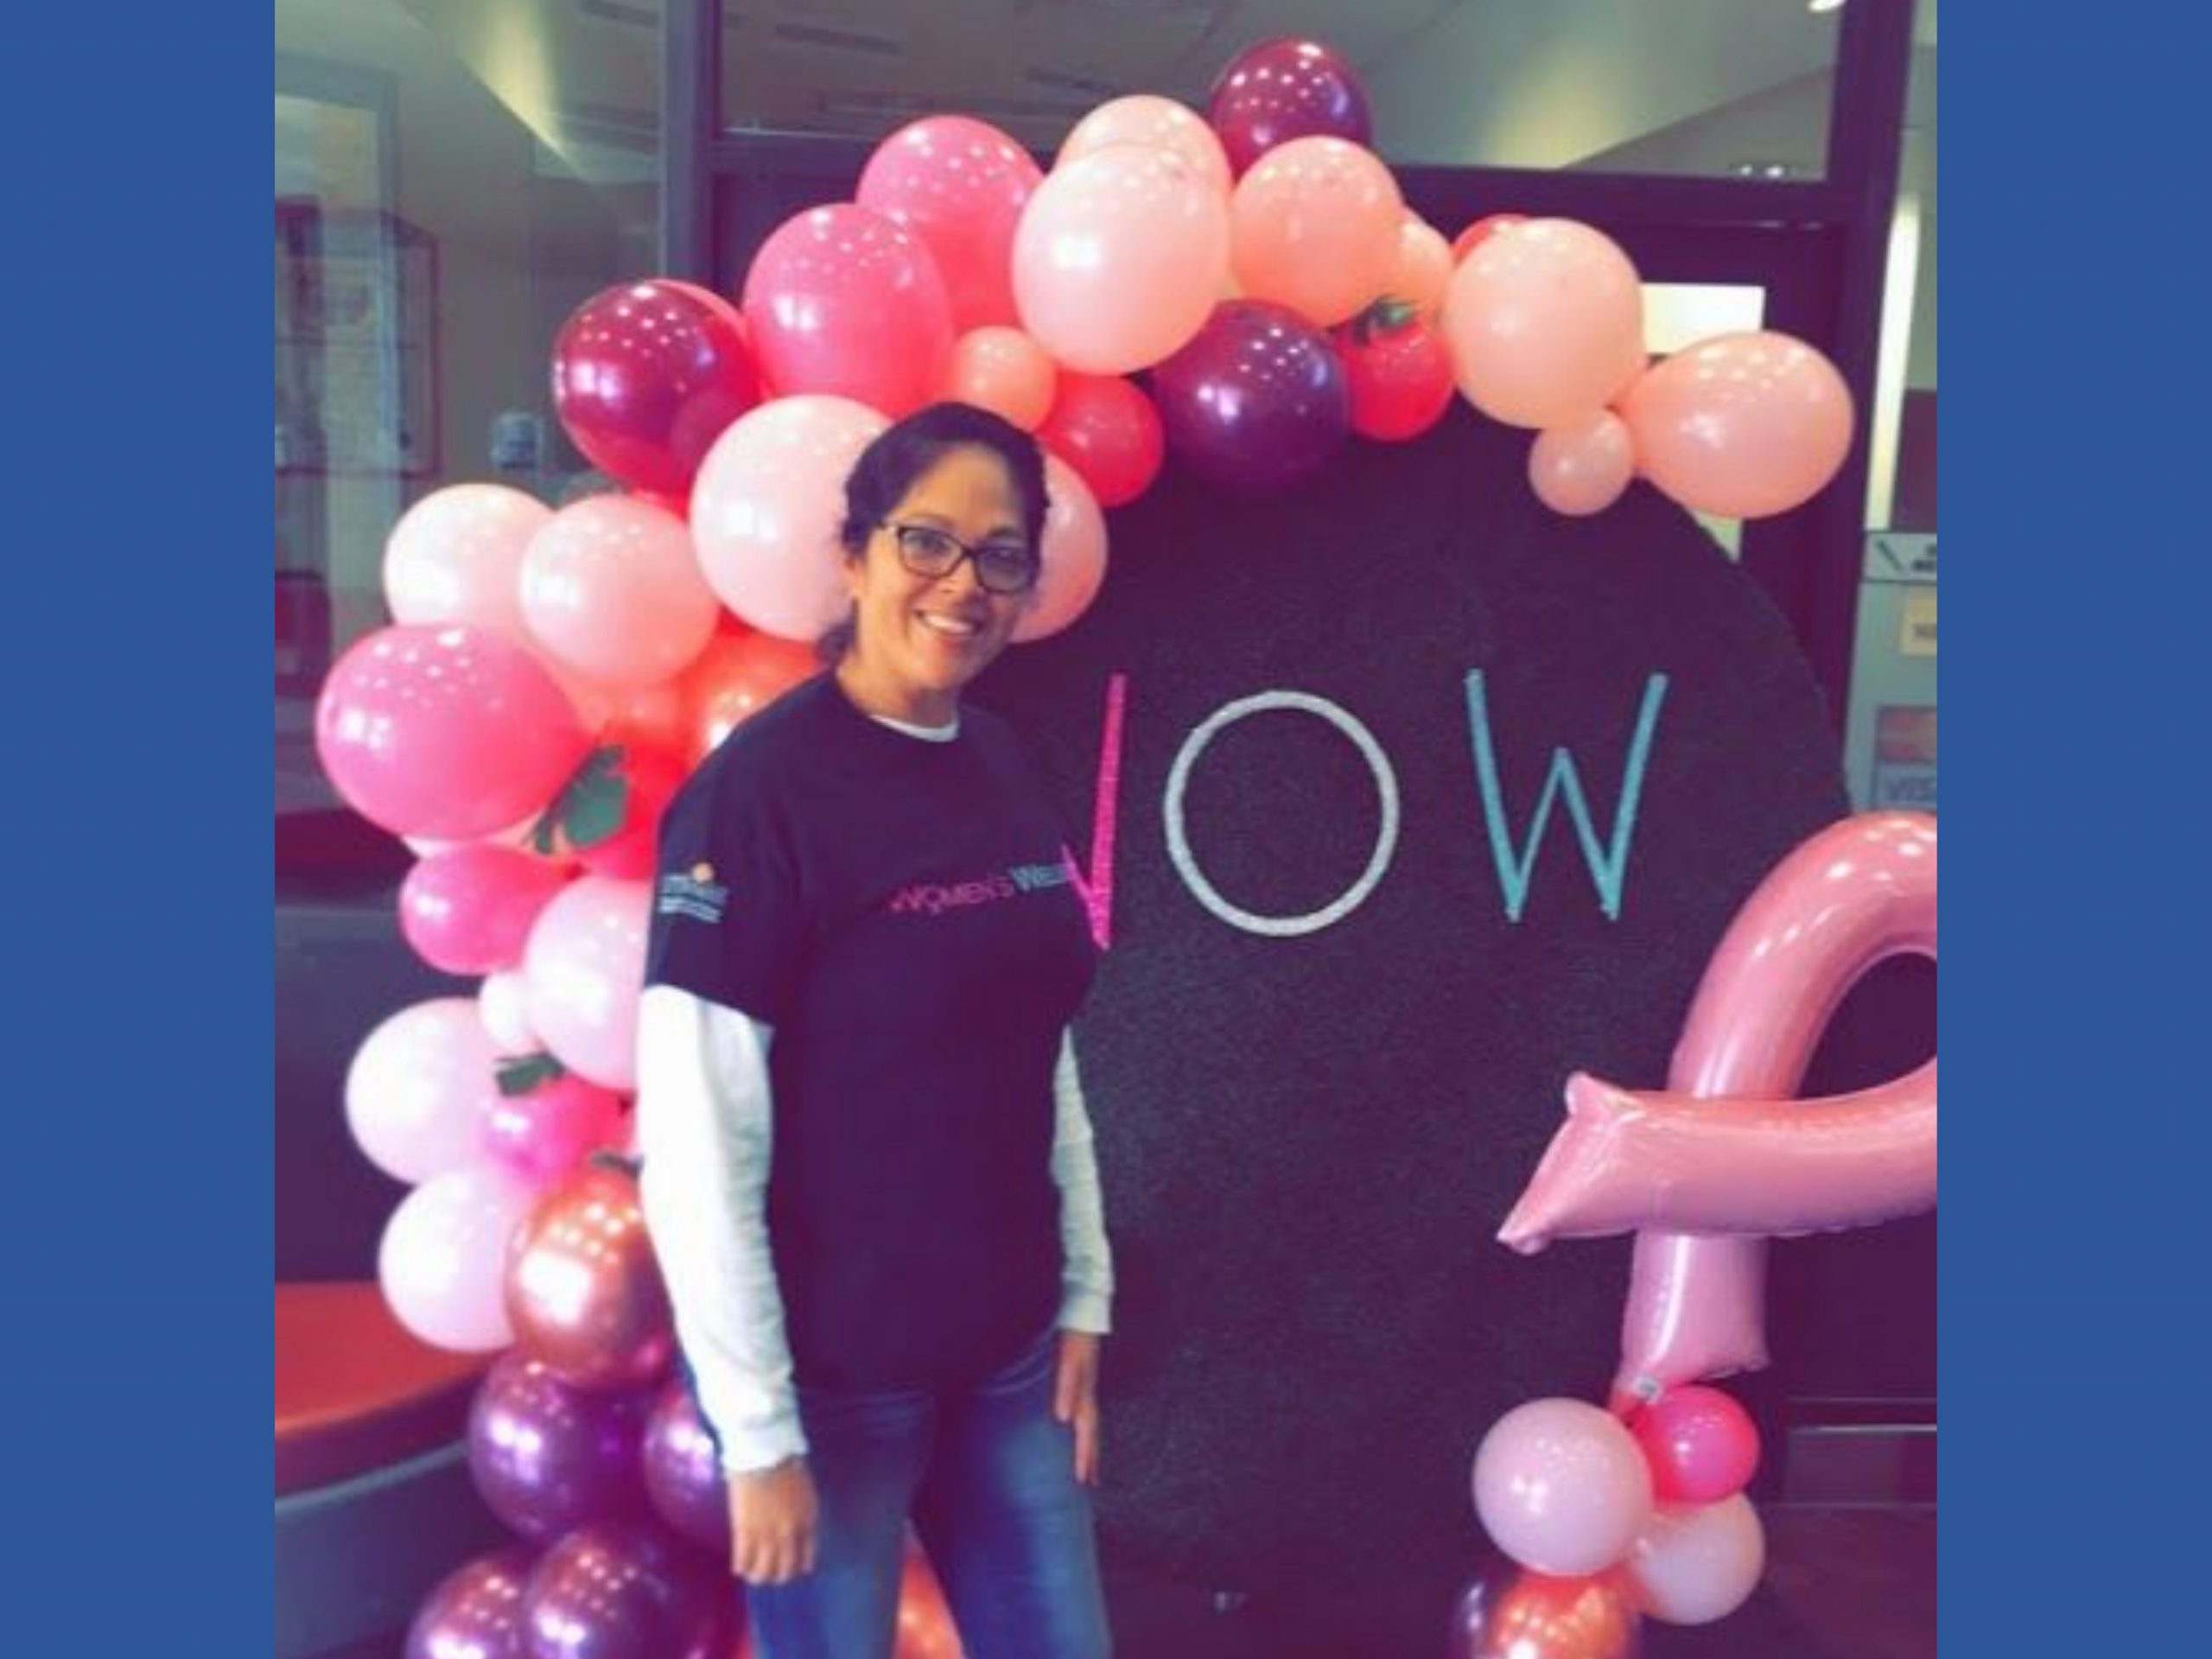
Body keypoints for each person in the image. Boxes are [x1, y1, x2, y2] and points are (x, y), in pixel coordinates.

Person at [636, 402, 1115, 1659]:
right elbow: (697, 1140)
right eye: (926, 540)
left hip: (1010, 1360)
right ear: (855, 555)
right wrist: (759, 1437)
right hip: (834, 1392)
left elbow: (1041, 1042)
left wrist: (1084, 1288)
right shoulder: (755, 799)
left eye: (1000, 554)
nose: (963, 584)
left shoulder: (1001, 760)